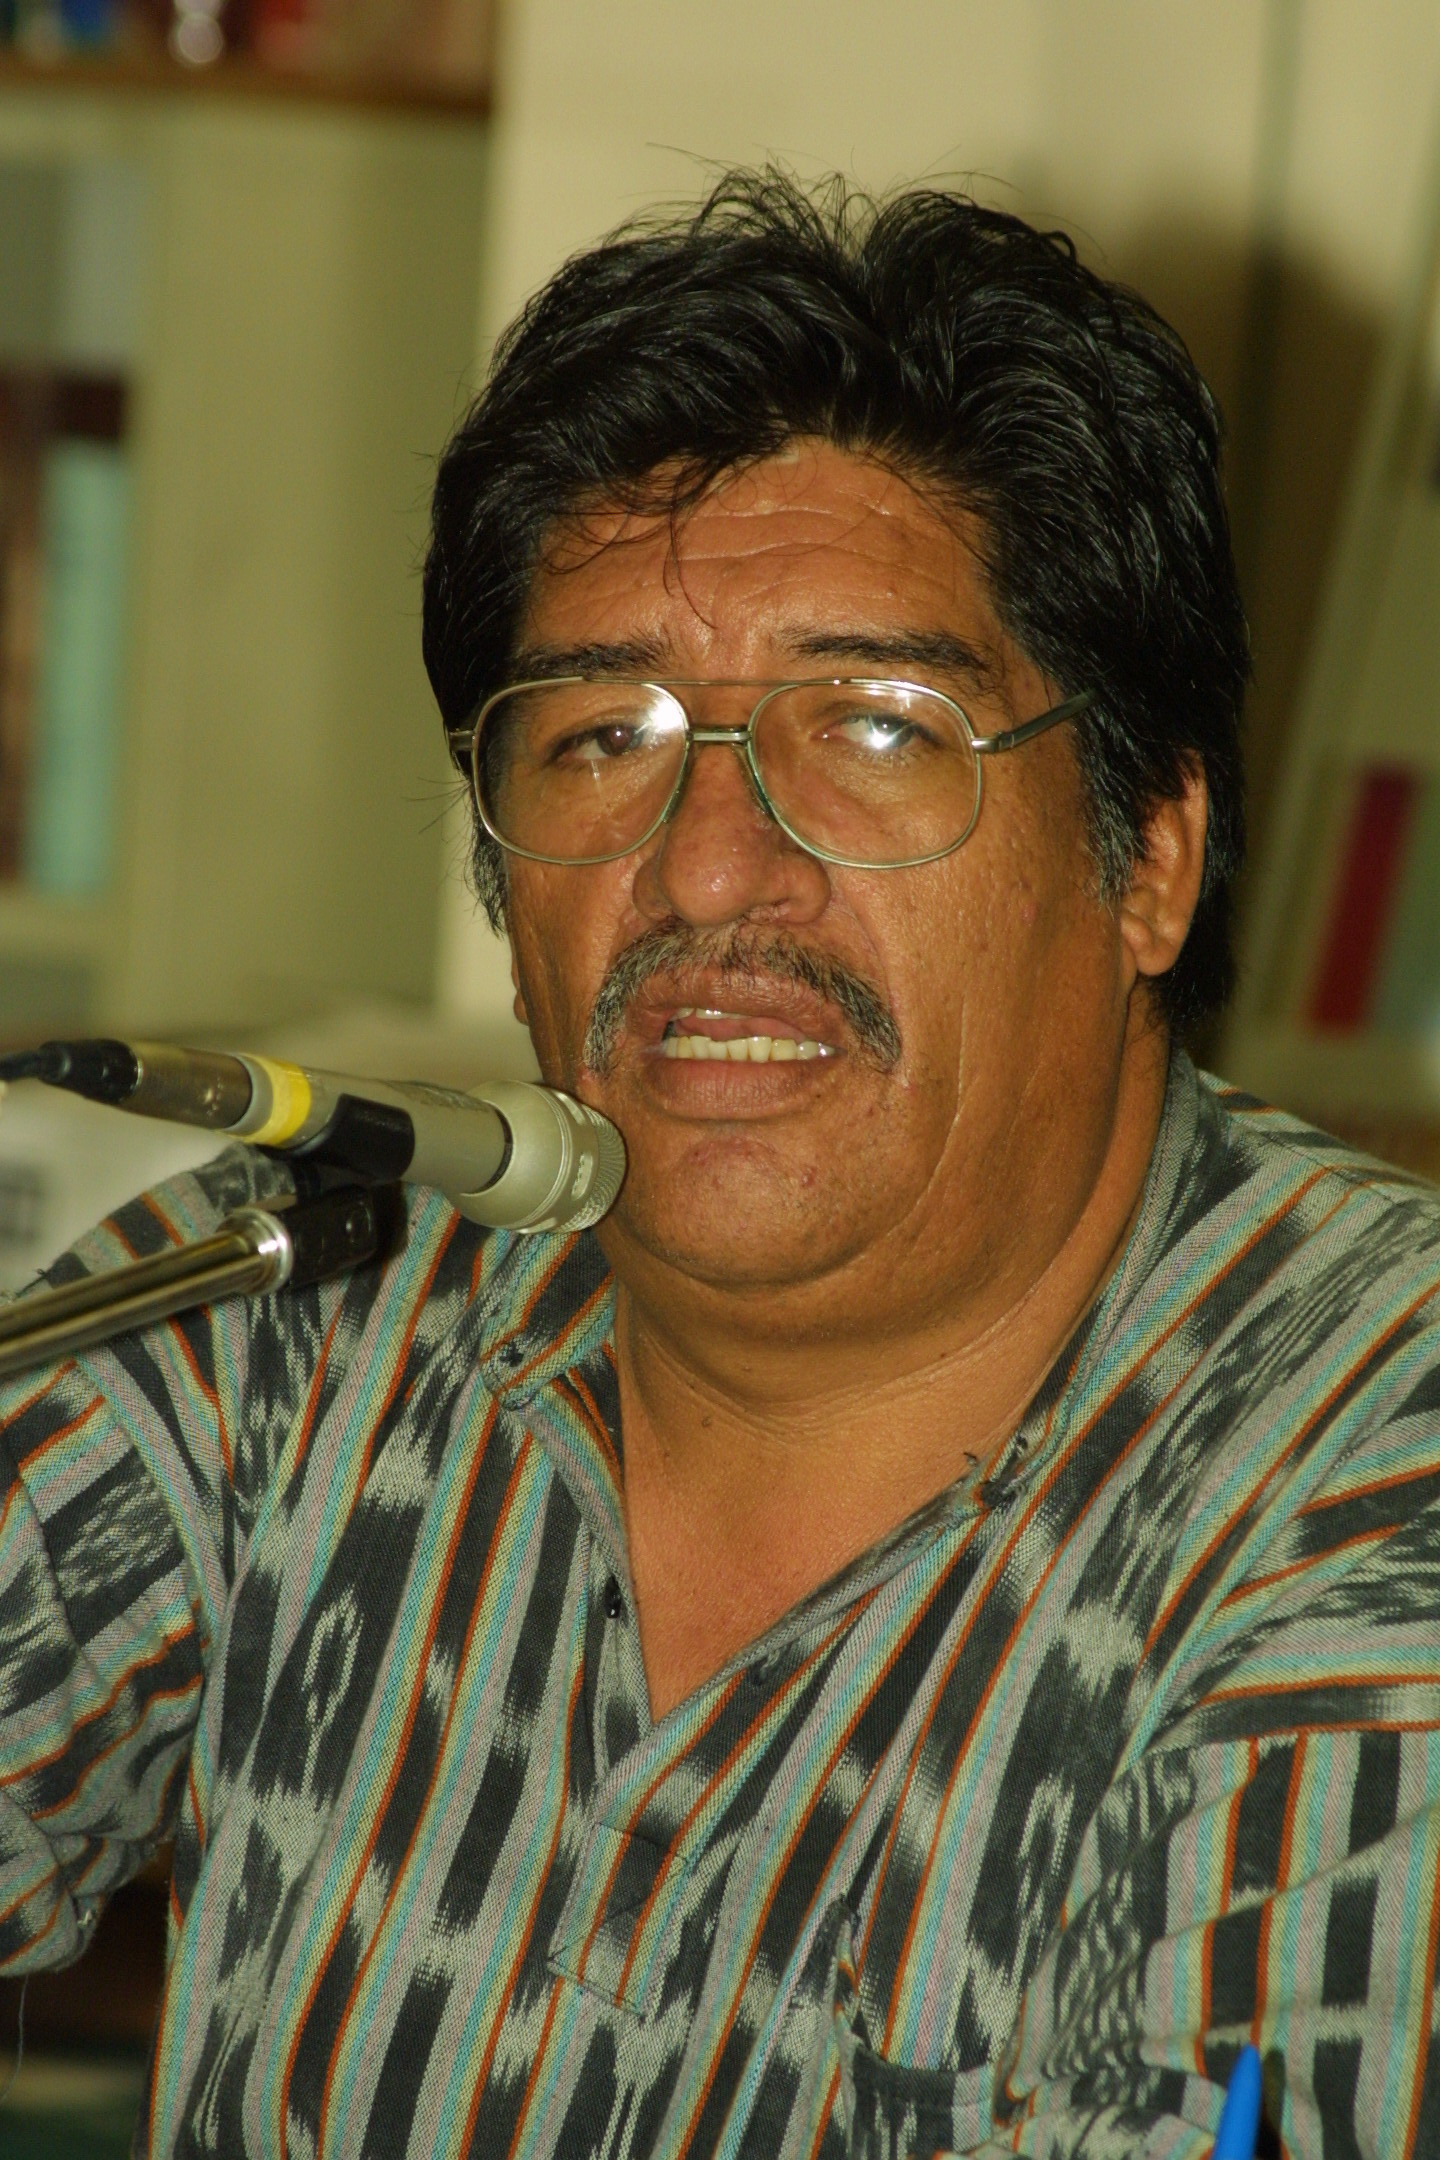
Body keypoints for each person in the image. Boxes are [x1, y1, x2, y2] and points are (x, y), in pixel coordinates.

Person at [0, 173, 1436, 2160]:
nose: (702, 867)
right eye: (601, 738)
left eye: (873, 728)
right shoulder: (303, 1300)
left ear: (1154, 859)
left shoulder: (1378, 1487)